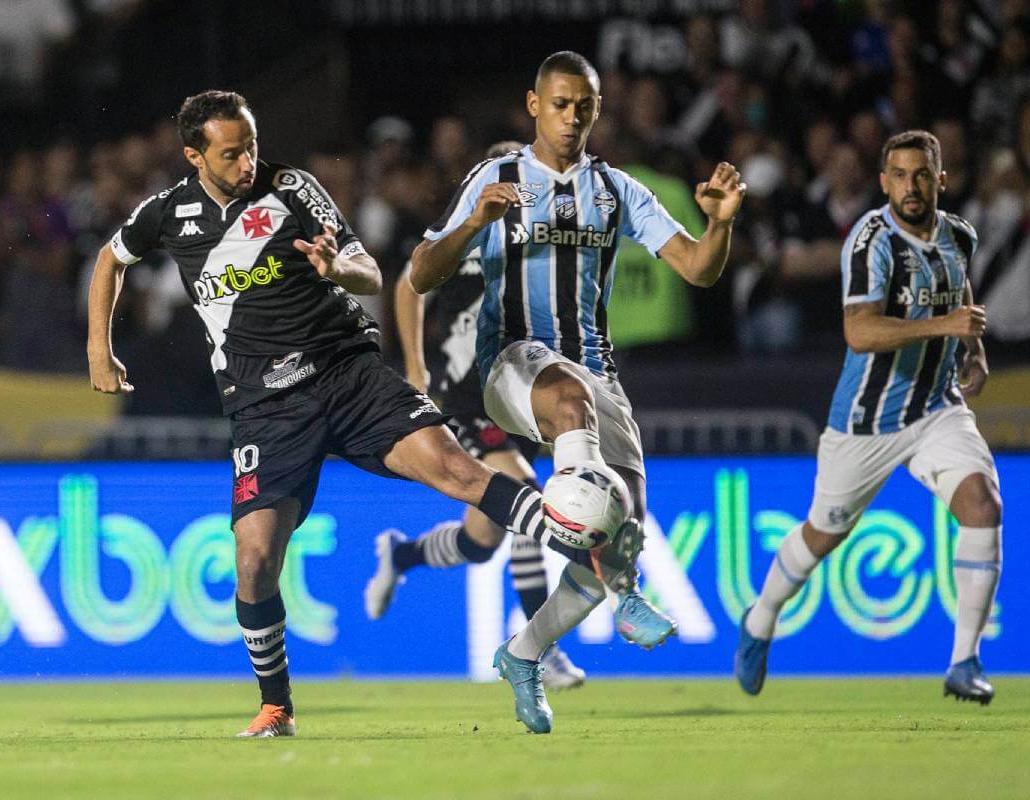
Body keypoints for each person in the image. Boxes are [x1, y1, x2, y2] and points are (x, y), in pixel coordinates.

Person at [87, 90, 644, 738]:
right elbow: (110, 259)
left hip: (347, 376)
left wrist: (336, 268)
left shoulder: (291, 188)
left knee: (454, 469)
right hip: (266, 409)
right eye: (231, 153)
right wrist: (100, 346)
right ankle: (276, 707)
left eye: (252, 146)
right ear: (194, 155)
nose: (248, 162)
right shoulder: (168, 213)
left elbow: (368, 271)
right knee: (254, 559)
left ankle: (580, 539)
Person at [410, 52, 745, 732]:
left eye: (583, 107)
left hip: (598, 375)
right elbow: (420, 273)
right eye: (559, 104)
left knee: (617, 535)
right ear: (534, 106)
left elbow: (697, 270)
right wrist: (473, 222)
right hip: (511, 365)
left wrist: (723, 223)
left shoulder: (616, 190)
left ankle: (524, 652)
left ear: (597, 111)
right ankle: (619, 584)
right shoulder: (497, 177)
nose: (571, 117)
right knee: (567, 399)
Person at [734, 130, 1002, 705]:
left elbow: (961, 295)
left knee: (983, 505)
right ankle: (760, 619)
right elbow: (859, 332)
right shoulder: (870, 241)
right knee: (821, 536)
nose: (911, 186)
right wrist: (945, 328)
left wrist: (972, 352)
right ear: (884, 183)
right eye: (900, 175)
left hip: (936, 410)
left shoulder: (959, 236)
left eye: (922, 174)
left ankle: (964, 661)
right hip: (865, 423)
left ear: (940, 179)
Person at [367, 142, 586, 691]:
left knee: (484, 537)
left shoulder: (537, 248)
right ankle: (542, 651)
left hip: (516, 394)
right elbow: (408, 287)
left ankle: (404, 554)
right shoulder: (466, 234)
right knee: (524, 491)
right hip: (464, 393)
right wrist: (416, 367)